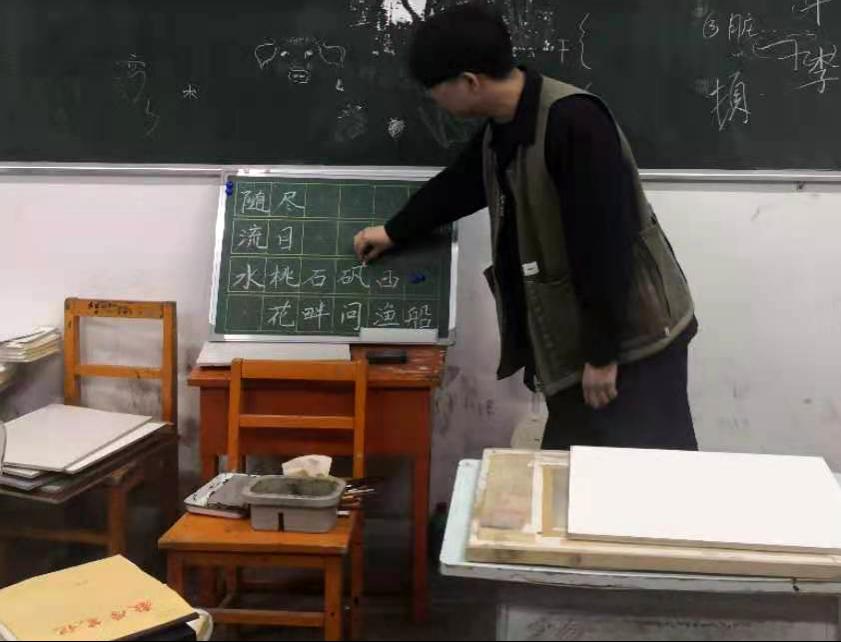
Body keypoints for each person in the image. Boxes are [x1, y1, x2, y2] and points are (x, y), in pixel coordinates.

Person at [353, 3, 698, 450]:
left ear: (469, 82)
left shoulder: (575, 124)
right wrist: (394, 231)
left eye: (435, 89)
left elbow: (606, 247)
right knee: (571, 465)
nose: (433, 100)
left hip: (635, 342)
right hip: (584, 336)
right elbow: (461, 185)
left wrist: (602, 356)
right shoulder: (505, 125)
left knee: (642, 471)